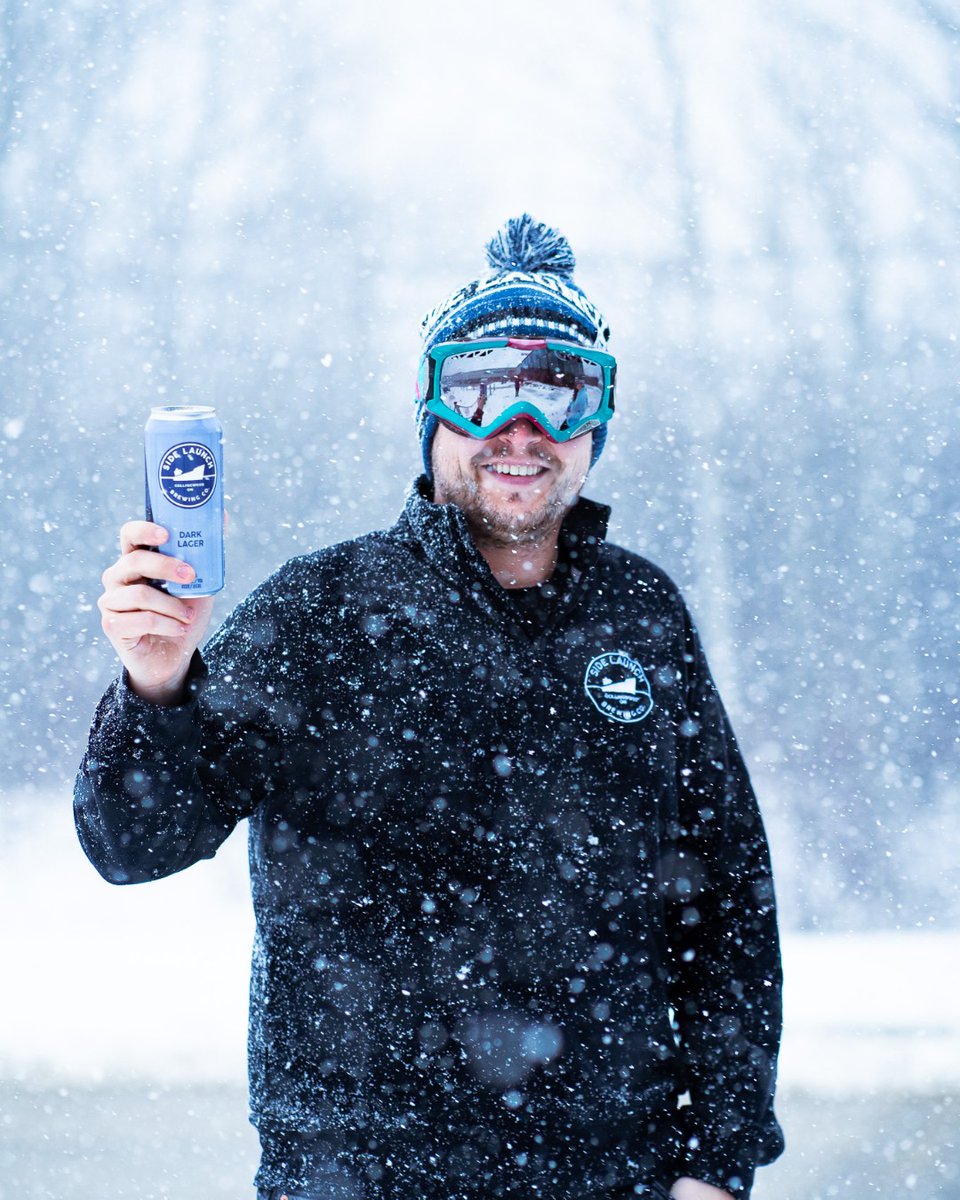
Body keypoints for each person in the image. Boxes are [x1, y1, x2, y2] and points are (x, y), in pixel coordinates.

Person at [75, 214, 784, 1200]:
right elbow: (131, 841)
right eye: (483, 390)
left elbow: (731, 911)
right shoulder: (320, 615)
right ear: (433, 409)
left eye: (560, 393)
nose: (520, 430)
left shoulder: (641, 618)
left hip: (610, 1174)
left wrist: (716, 1162)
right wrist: (156, 684)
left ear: (597, 423)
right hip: (358, 1174)